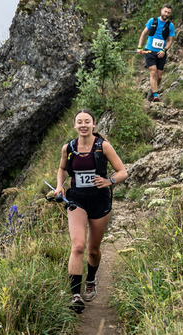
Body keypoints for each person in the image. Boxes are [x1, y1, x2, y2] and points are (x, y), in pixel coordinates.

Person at [54, 109, 128, 313]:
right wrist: (60, 186)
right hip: (76, 198)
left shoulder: (102, 146)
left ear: (93, 125)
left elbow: (123, 172)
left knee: (93, 250)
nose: (83, 125)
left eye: (87, 121)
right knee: (77, 246)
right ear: (75, 125)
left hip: (99, 199)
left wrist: (109, 181)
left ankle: (91, 278)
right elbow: (62, 168)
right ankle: (75, 295)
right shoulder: (68, 147)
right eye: (80, 122)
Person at [137, 4, 175, 103]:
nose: (166, 14)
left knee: (159, 76)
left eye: (168, 13)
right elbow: (143, 34)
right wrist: (139, 47)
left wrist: (164, 50)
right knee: (153, 72)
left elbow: (170, 40)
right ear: (161, 11)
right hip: (149, 50)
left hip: (161, 53)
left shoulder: (170, 26)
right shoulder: (152, 21)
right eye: (165, 11)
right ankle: (155, 95)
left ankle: (152, 90)